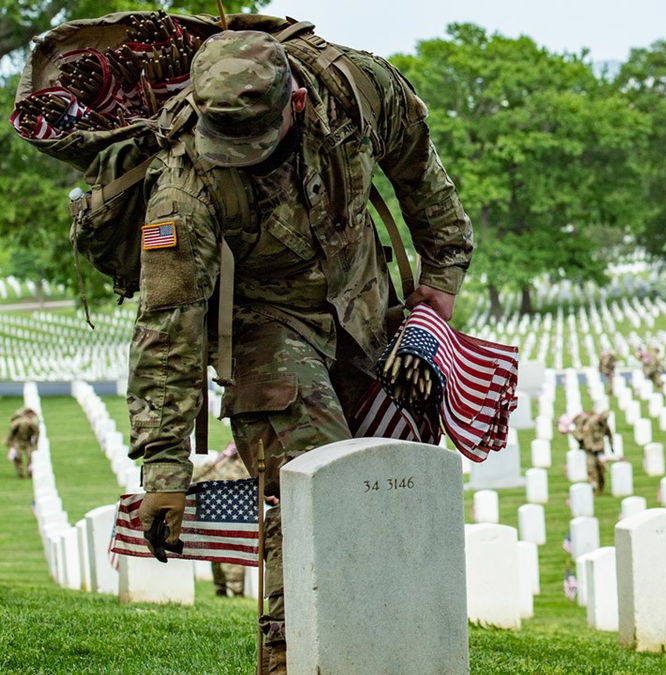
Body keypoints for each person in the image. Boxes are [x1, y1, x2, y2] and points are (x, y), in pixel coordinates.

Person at [129, 30, 472, 673]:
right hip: (263, 323)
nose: (239, 158)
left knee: (387, 479)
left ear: (298, 103)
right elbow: (166, 327)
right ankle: (296, 656)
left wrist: (440, 282)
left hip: (364, 309)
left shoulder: (363, 91)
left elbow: (423, 179)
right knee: (312, 486)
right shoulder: (184, 189)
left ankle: (393, 645)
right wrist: (165, 472)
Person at [192, 442, 251, 597]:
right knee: (218, 555)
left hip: (239, 516)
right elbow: (197, 477)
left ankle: (237, 591)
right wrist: (219, 459)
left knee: (235, 558)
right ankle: (220, 589)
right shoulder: (221, 462)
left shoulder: (248, 464)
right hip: (217, 516)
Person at [569, 410, 612, 495]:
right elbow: (587, 438)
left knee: (600, 469)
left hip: (600, 449)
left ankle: (600, 487)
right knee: (591, 467)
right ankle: (593, 487)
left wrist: (612, 446)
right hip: (590, 450)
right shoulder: (591, 423)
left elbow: (609, 434)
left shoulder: (604, 424)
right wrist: (592, 448)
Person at [6, 408, 39, 479]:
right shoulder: (18, 422)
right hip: (17, 441)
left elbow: (36, 434)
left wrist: (35, 445)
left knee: (30, 456)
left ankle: (30, 472)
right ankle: (20, 472)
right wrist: (9, 442)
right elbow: (11, 432)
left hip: (27, 442)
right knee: (18, 457)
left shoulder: (34, 423)